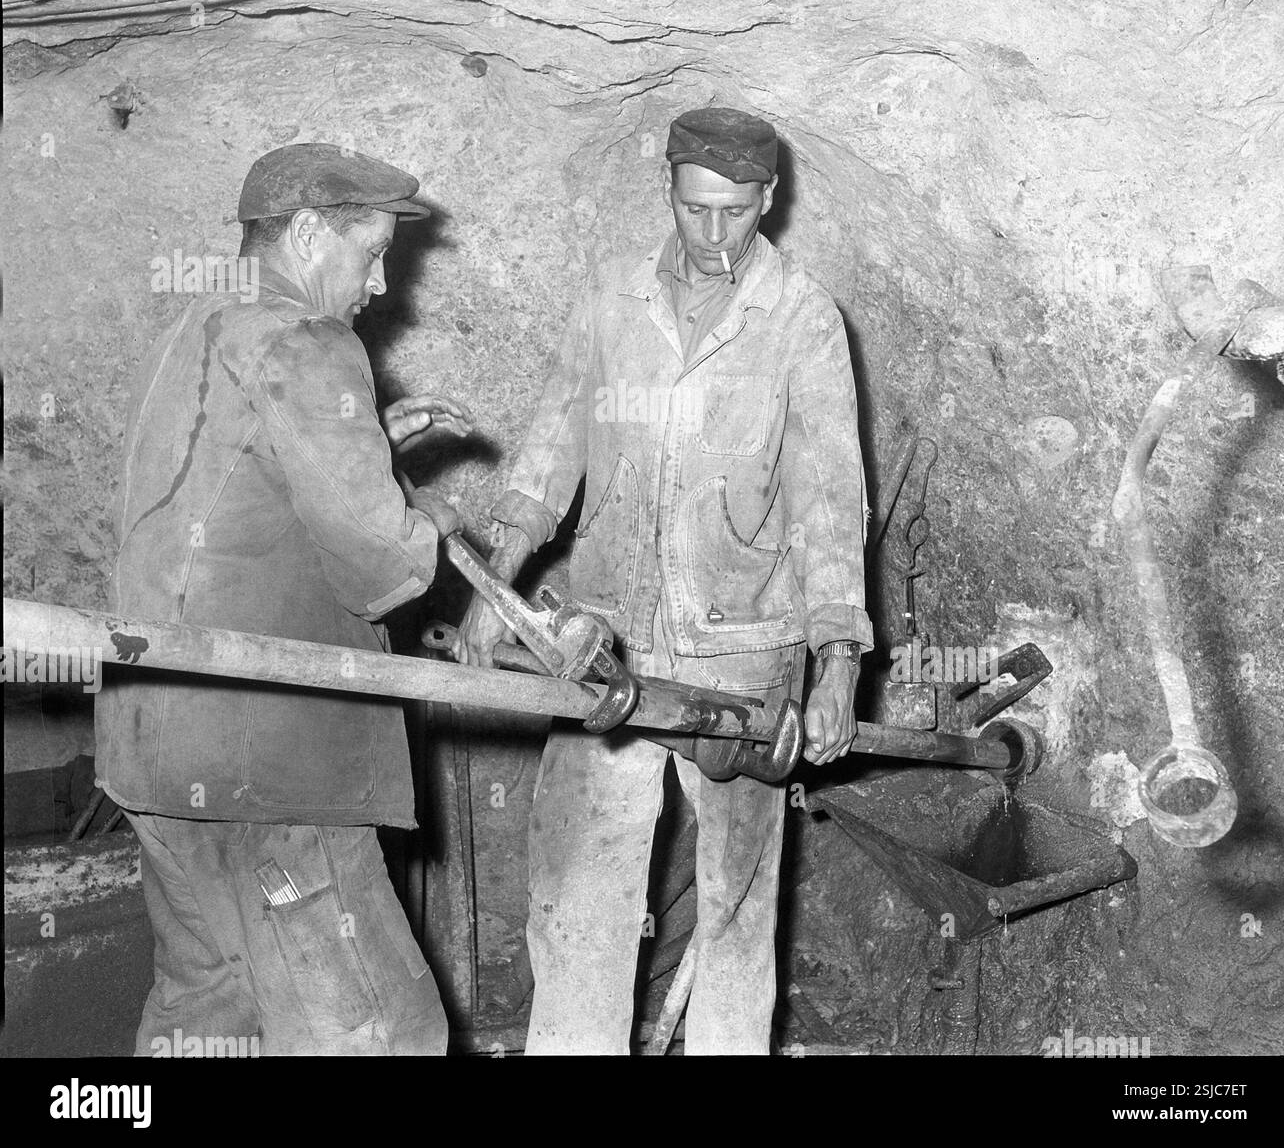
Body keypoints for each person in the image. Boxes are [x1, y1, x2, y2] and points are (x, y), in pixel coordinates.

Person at [459, 106, 873, 1054]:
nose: (715, 232)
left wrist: (837, 658)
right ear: (670, 193)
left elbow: (826, 494)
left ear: (769, 199)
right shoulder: (613, 299)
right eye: (696, 210)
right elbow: (551, 445)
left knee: (734, 909)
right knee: (575, 898)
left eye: (736, 211)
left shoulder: (802, 320)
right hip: (605, 643)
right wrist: (497, 584)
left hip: (745, 652)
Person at [97, 142, 470, 1055]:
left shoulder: (194, 332)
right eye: (371, 251)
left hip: (153, 754)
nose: (380, 285)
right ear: (306, 233)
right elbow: (375, 565)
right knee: (386, 1030)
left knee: (210, 1016)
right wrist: (436, 527)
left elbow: (225, 503)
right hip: (270, 764)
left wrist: (364, 447)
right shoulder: (309, 340)